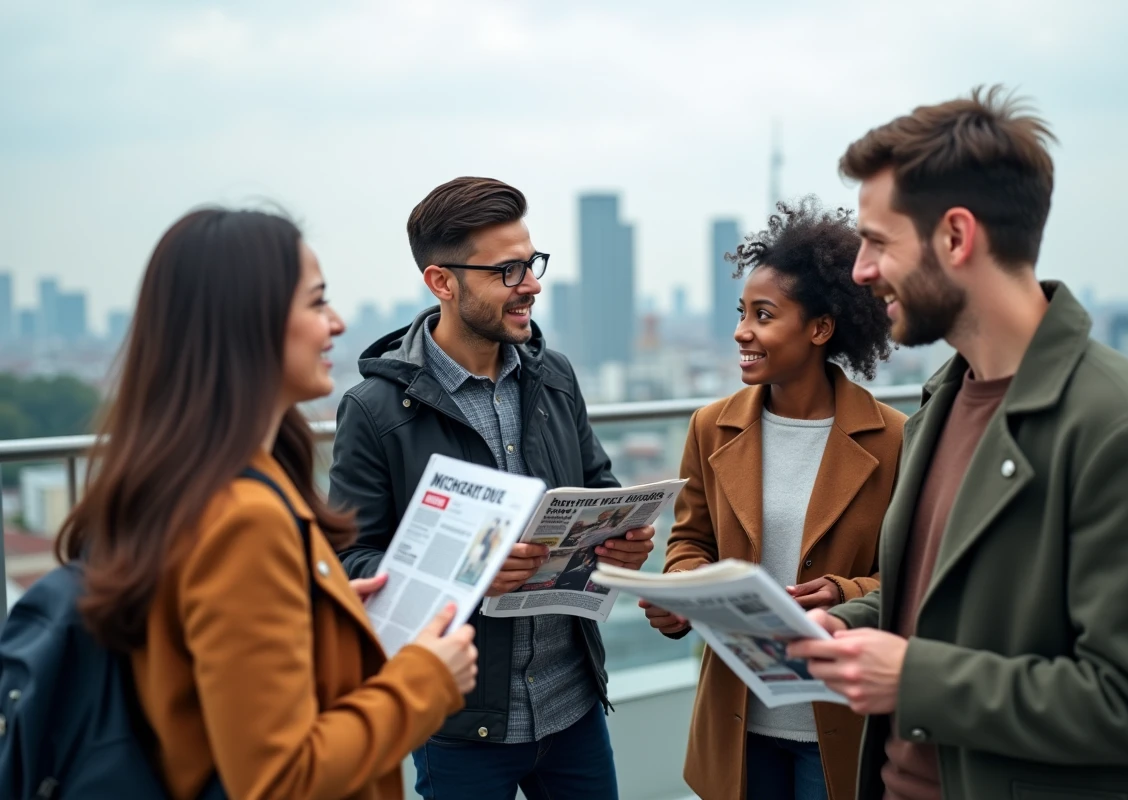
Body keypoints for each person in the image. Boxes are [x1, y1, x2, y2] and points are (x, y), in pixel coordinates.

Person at [788, 86, 1128, 800]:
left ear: (955, 236)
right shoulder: (940, 404)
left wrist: (912, 677)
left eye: (878, 242)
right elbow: (950, 610)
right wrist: (844, 624)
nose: (859, 270)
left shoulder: (1121, 429)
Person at [55, 208, 477, 800]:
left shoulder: (180, 485)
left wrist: (317, 610)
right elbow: (279, 779)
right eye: (315, 302)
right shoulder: (244, 520)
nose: (335, 323)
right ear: (244, 323)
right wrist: (426, 680)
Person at [328, 177, 656, 799]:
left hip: (574, 705)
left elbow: (596, 485)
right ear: (442, 283)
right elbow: (351, 566)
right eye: (507, 271)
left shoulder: (552, 374)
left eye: (530, 263)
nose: (530, 284)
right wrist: (474, 568)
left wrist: (622, 539)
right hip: (459, 723)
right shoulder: (374, 410)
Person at [643, 198, 906, 800]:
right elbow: (690, 540)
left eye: (763, 315)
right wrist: (684, 588)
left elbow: (914, 575)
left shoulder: (892, 437)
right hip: (740, 716)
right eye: (742, 313)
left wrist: (845, 593)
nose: (742, 332)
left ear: (820, 328)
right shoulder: (711, 427)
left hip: (838, 713)